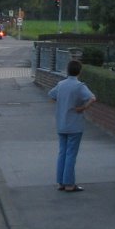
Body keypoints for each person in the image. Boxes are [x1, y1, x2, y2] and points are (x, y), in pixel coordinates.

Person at [47, 60, 96, 192]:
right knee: (71, 154)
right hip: (74, 124)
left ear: (67, 70)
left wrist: (62, 104)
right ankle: (69, 183)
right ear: (79, 71)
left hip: (61, 123)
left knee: (62, 152)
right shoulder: (79, 86)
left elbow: (51, 95)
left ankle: (61, 182)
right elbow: (92, 98)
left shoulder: (61, 84)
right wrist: (83, 107)